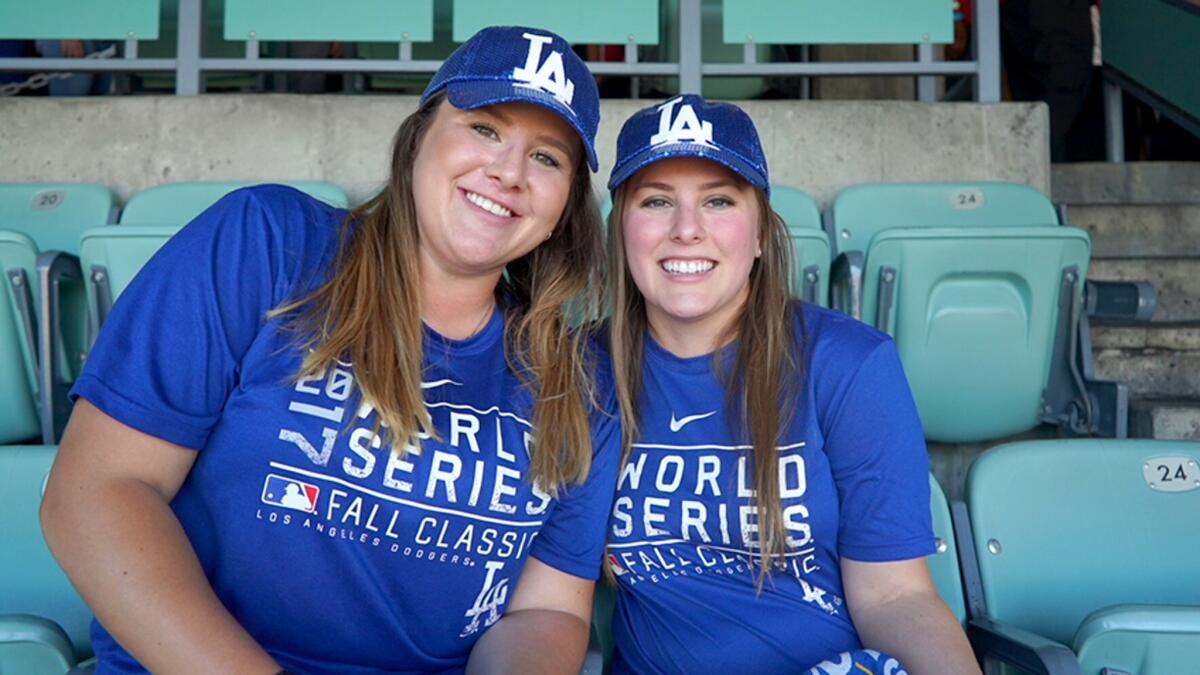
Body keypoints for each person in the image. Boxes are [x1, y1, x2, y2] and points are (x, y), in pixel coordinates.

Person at [41, 26, 619, 674]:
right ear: (418, 138)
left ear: (567, 202)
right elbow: (96, 493)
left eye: (547, 157)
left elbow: (546, 611)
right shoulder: (268, 245)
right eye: (484, 128)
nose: (508, 171)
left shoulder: (577, 378)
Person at [602, 94, 980, 674]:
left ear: (758, 234)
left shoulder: (850, 364)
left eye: (718, 201)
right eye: (656, 201)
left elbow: (896, 595)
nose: (686, 230)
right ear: (621, 228)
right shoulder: (581, 370)